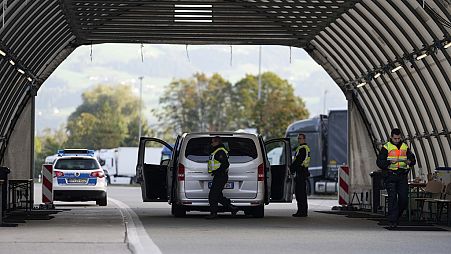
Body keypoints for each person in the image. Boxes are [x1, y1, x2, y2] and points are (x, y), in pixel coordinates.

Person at [376, 128, 416, 228]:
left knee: (404, 199)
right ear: (391, 137)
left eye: (398, 138)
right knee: (392, 198)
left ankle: (396, 216)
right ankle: (392, 222)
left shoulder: (405, 146)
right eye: (395, 139)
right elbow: (379, 162)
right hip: (390, 175)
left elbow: (412, 159)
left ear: (400, 137)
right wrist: (389, 162)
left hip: (402, 175)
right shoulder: (386, 147)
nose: (397, 140)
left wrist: (409, 162)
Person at [206, 136, 239, 219]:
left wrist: (217, 171)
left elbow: (225, 164)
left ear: (218, 142)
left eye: (213, 141)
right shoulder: (217, 150)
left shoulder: (220, 151)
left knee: (212, 195)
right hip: (219, 176)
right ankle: (233, 208)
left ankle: (213, 213)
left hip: (221, 176)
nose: (211, 143)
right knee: (218, 196)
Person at [290, 133, 311, 217]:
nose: (299, 140)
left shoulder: (303, 149)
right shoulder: (301, 148)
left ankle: (302, 212)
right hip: (301, 172)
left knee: (300, 194)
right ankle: (301, 211)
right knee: (300, 193)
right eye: (298, 138)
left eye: (300, 138)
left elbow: (298, 161)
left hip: (301, 173)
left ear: (304, 139)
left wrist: (291, 169)